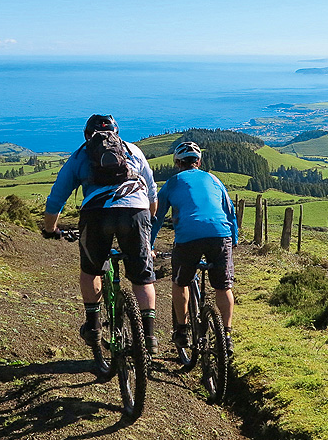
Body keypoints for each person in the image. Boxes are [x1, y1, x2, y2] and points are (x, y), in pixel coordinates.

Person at [42, 114, 160, 352]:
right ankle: (149, 336)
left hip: (97, 213)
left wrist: (50, 229)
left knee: (91, 270)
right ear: (117, 132)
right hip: (136, 213)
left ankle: (94, 327)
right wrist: (149, 220)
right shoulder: (133, 151)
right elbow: (152, 194)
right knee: (142, 277)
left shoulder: (80, 155)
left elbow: (57, 197)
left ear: (87, 135)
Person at [150, 141, 238, 356]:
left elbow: (156, 217)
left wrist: (149, 245)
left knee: (180, 282)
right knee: (223, 287)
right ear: (198, 161)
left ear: (177, 163)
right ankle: (226, 335)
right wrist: (233, 240)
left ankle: (182, 330)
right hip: (220, 235)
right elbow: (230, 212)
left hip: (188, 238)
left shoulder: (172, 183)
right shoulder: (215, 180)